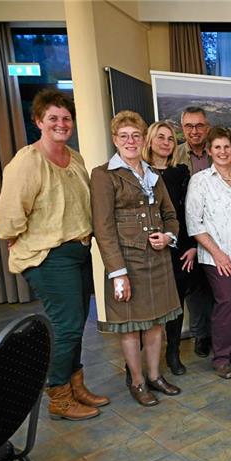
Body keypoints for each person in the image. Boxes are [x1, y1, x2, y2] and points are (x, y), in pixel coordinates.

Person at [0, 89, 107, 420]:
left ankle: (76, 385)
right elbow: (8, 216)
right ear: (39, 120)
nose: (61, 123)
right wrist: (14, 237)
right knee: (69, 323)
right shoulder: (27, 162)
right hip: (49, 255)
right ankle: (58, 394)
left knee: (75, 323)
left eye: (66, 118)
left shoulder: (74, 158)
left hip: (78, 250)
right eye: (53, 118)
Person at [91, 110, 182, 406]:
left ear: (143, 139)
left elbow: (170, 214)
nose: (130, 141)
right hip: (127, 263)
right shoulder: (104, 175)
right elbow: (103, 228)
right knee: (130, 326)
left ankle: (155, 376)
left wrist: (169, 237)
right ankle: (138, 382)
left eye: (135, 135)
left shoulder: (153, 174)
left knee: (155, 323)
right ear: (115, 140)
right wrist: (117, 272)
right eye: (123, 136)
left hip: (158, 260)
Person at [186, 127, 231, 379]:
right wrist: (218, 254)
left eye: (227, 146)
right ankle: (222, 358)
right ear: (209, 151)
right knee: (226, 303)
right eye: (217, 147)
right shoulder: (201, 181)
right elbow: (194, 223)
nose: (223, 151)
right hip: (216, 257)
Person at [142, 121, 196, 375]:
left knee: (176, 304)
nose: (165, 142)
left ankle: (173, 354)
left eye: (170, 139)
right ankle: (140, 363)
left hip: (180, 249)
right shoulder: (139, 172)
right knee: (148, 307)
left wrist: (193, 246)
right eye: (160, 137)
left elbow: (190, 212)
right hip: (148, 249)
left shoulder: (181, 172)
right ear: (150, 141)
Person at [173, 106, 213, 358]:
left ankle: (219, 331)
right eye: (189, 126)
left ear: (207, 127)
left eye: (199, 125)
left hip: (218, 228)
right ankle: (201, 335)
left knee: (218, 285)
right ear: (182, 128)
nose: (194, 131)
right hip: (188, 231)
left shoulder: (217, 150)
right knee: (195, 288)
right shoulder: (175, 155)